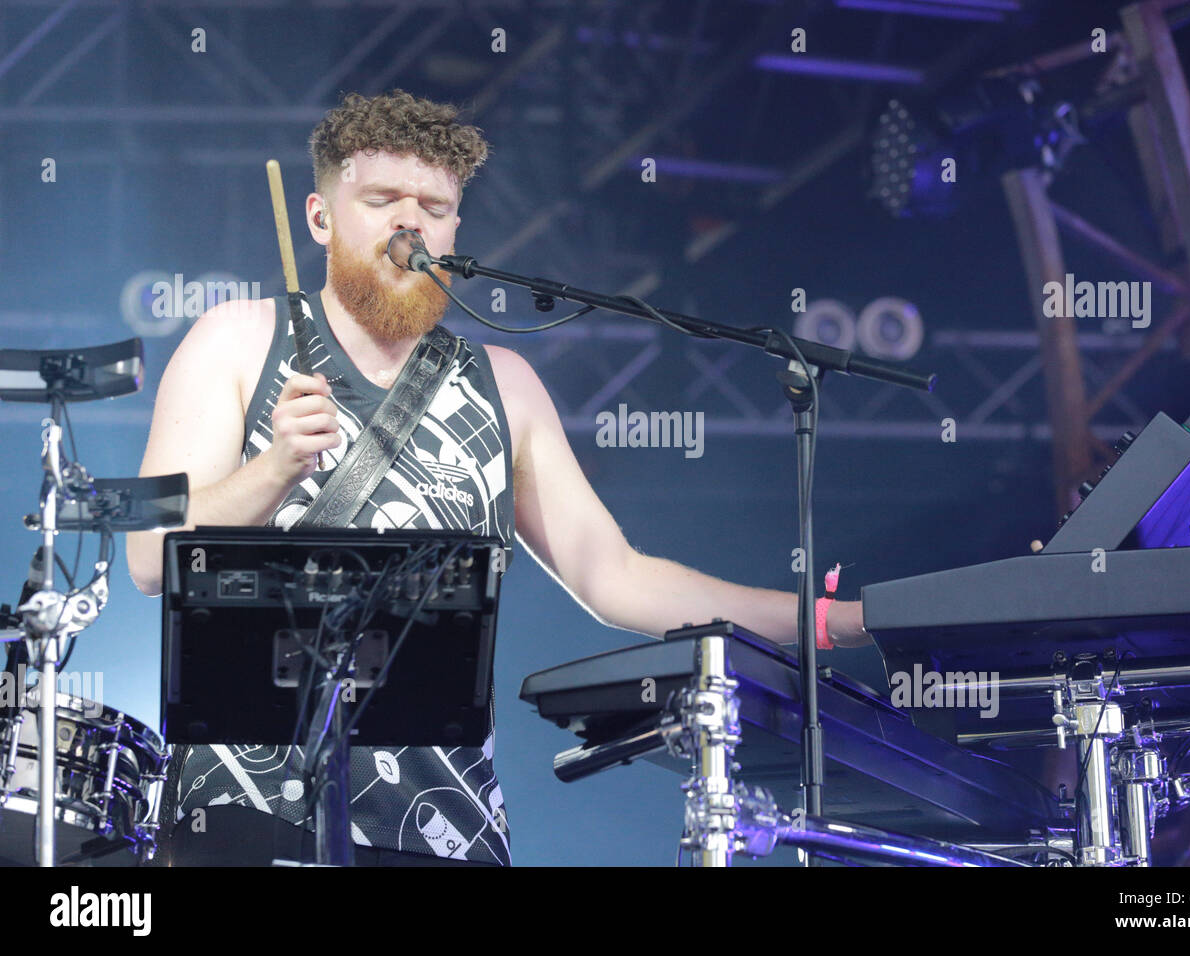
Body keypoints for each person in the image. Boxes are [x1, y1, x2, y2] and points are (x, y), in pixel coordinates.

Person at [125, 89, 869, 866]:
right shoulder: (239, 338)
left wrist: (826, 622)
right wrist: (274, 467)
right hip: (248, 808)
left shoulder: (503, 384)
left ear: (453, 229)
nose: (409, 221)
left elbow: (618, 577)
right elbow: (149, 557)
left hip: (445, 827)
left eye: (434, 206)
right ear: (320, 217)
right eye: (381, 199)